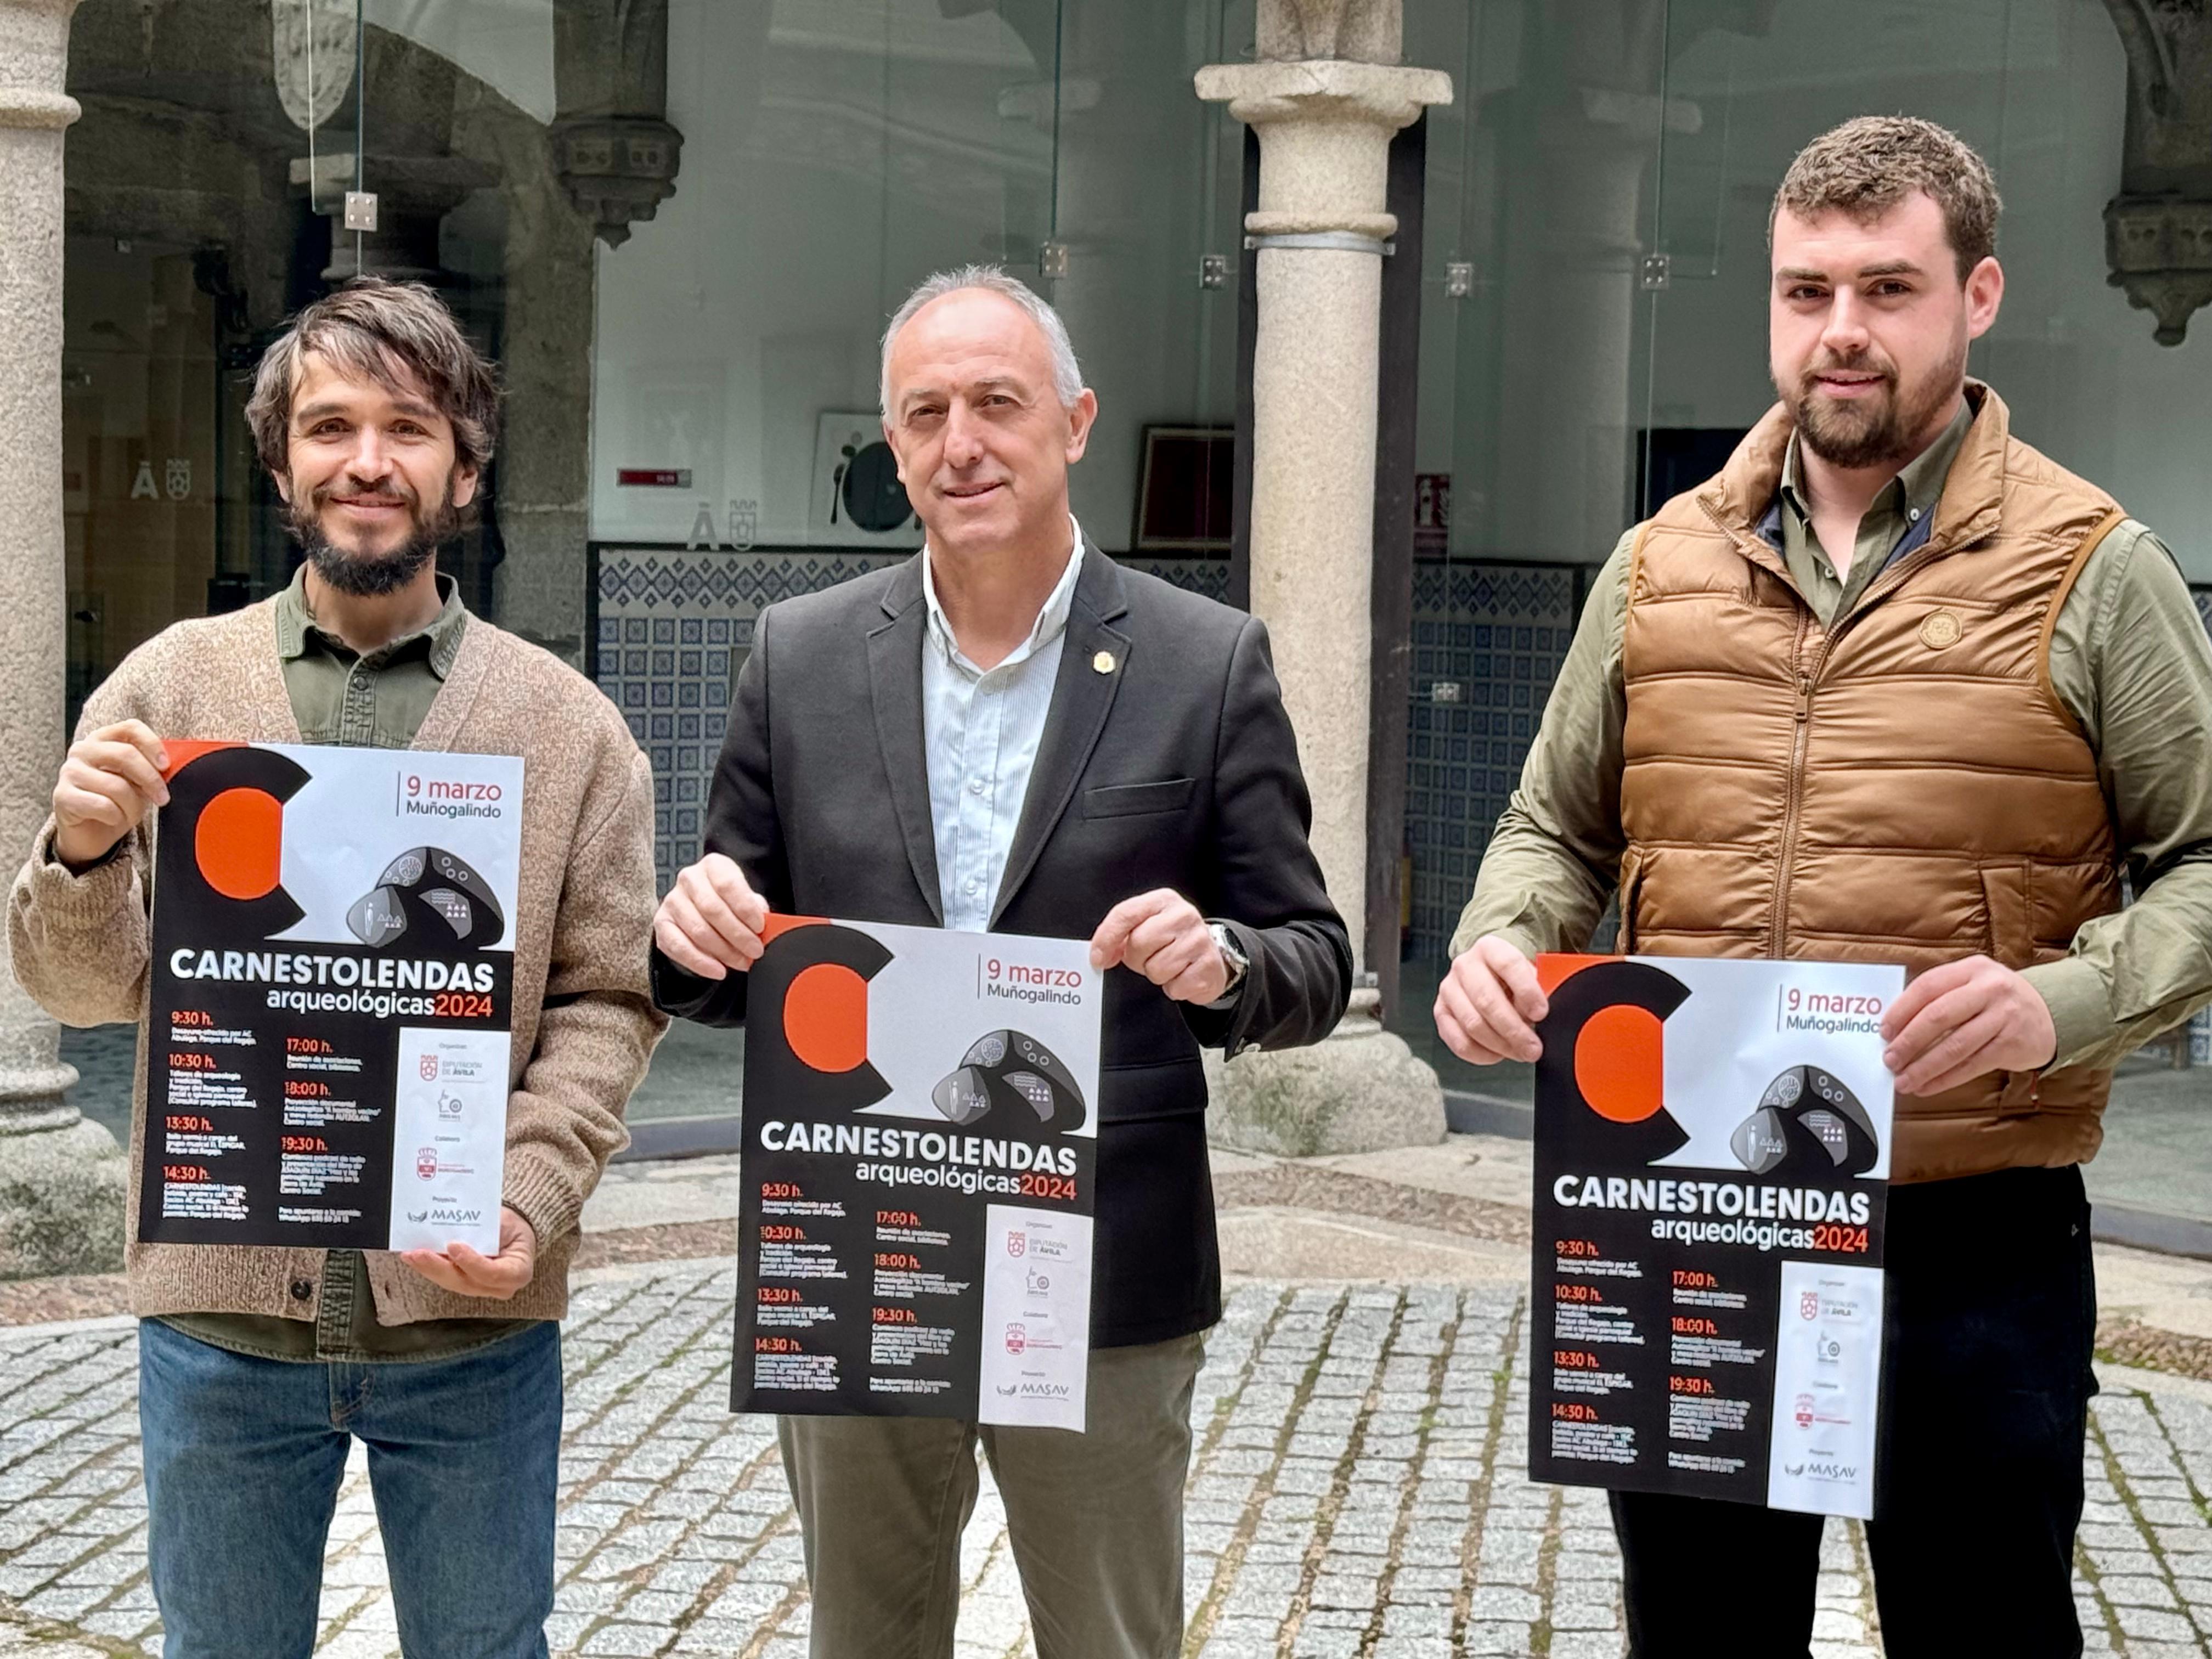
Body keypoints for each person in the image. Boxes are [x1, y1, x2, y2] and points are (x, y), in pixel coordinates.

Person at [1435, 116, 2212, 1659]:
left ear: (1976, 297)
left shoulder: (2092, 567)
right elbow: (1554, 825)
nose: (1841, 333)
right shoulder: (1659, 567)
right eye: (1807, 292)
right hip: (1690, 1209)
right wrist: (1498, 941)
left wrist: (2055, 1006)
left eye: (1887, 288)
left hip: (1972, 1241)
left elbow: (2204, 865)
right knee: (1702, 1636)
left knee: (1981, 1631)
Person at [651, 265, 1350, 1659]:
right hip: (860, 1231)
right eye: (925, 413)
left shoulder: (1203, 664)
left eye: (996, 403)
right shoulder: (801, 655)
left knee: (1109, 1637)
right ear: (894, 445)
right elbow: (739, 950)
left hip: (1099, 1258)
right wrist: (692, 939)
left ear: (1075, 422)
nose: (960, 442)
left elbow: (1314, 955)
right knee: (868, 1636)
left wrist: (1219, 963)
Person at [8, 277, 663, 1659]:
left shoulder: (571, 729)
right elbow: (81, 993)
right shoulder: (170, 690)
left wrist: (530, 1192)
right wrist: (76, 858)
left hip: (468, 1328)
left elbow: (608, 997)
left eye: (410, 428)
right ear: (283, 460)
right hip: (222, 1329)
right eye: (331, 426)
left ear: (466, 467)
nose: (368, 461)